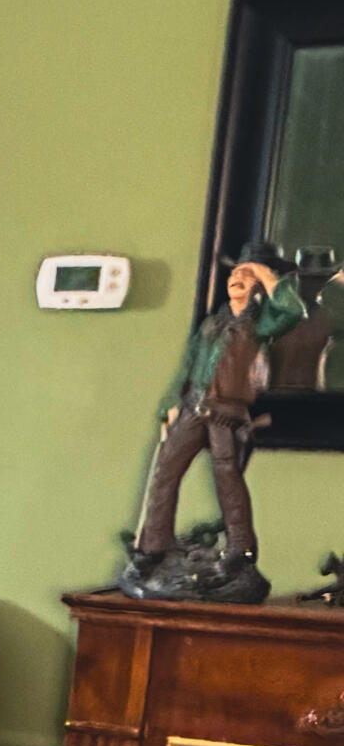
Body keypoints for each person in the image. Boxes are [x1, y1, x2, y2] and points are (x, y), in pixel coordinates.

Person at [123, 245, 306, 602]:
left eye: (247, 274)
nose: (237, 278)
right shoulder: (212, 323)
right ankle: (153, 546)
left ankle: (241, 549)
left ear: (260, 285)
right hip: (194, 408)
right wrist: (171, 405)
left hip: (226, 413)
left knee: (228, 479)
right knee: (165, 471)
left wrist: (268, 276)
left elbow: (291, 311)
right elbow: (188, 367)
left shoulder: (260, 324)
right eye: (235, 272)